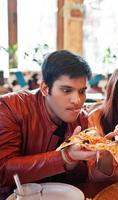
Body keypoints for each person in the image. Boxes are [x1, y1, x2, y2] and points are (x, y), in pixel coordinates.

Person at [0, 50, 97, 199]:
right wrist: (64, 157)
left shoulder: (81, 119)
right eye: (66, 90)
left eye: (82, 91)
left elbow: (81, 180)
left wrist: (73, 164)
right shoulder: (11, 107)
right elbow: (3, 170)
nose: (77, 100)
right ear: (45, 88)